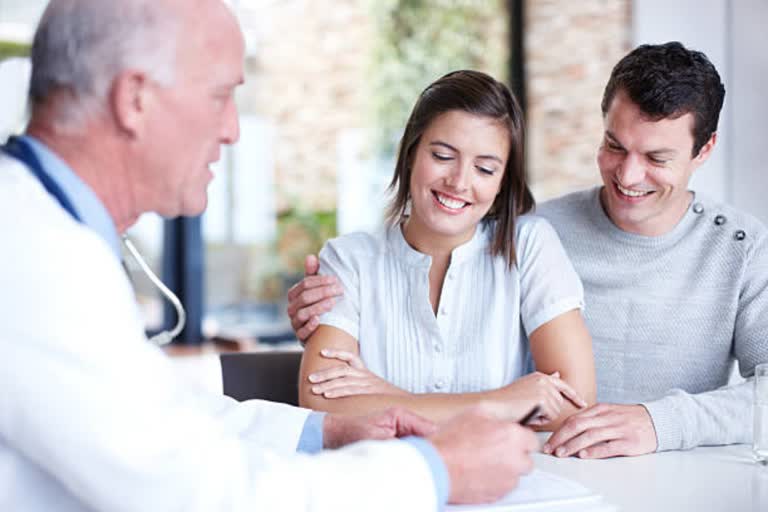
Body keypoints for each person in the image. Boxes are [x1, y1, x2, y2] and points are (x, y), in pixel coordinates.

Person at [0, 1, 539, 510]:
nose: (233, 130)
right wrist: (435, 470)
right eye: (219, 96)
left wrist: (323, 432)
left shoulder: (42, 233)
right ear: (135, 99)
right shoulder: (33, 262)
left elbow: (149, 414)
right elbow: (204, 495)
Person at [288, 41, 768, 458]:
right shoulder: (531, 230)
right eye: (614, 146)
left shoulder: (741, 249)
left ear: (703, 151)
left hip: (664, 473)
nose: (628, 175)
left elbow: (570, 403)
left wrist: (661, 423)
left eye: (657, 158)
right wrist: (323, 307)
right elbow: (329, 403)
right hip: (529, 467)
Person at [298, 70, 596, 429]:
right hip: (384, 477)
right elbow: (320, 402)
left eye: (485, 169)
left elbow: (574, 403)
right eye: (442, 156)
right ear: (411, 154)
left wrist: (387, 399)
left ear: (502, 183)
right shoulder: (348, 260)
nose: (459, 182)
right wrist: (501, 404)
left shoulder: (530, 245)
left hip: (509, 478)